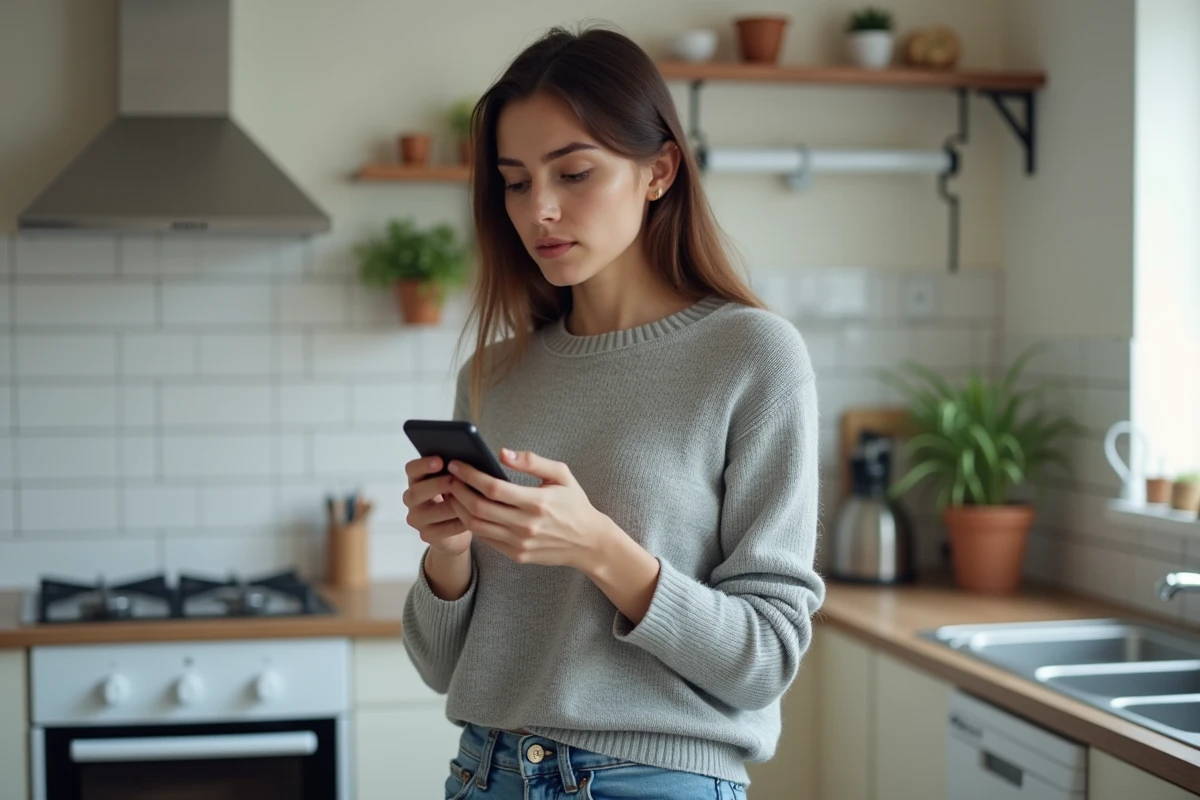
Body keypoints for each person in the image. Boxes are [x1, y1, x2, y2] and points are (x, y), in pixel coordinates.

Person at [400, 23, 824, 800]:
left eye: (574, 173)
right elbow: (440, 667)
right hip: (482, 774)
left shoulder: (752, 356)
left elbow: (766, 659)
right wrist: (448, 555)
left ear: (659, 170)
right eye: (517, 181)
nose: (542, 211)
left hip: (653, 783)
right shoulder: (493, 374)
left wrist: (600, 548)